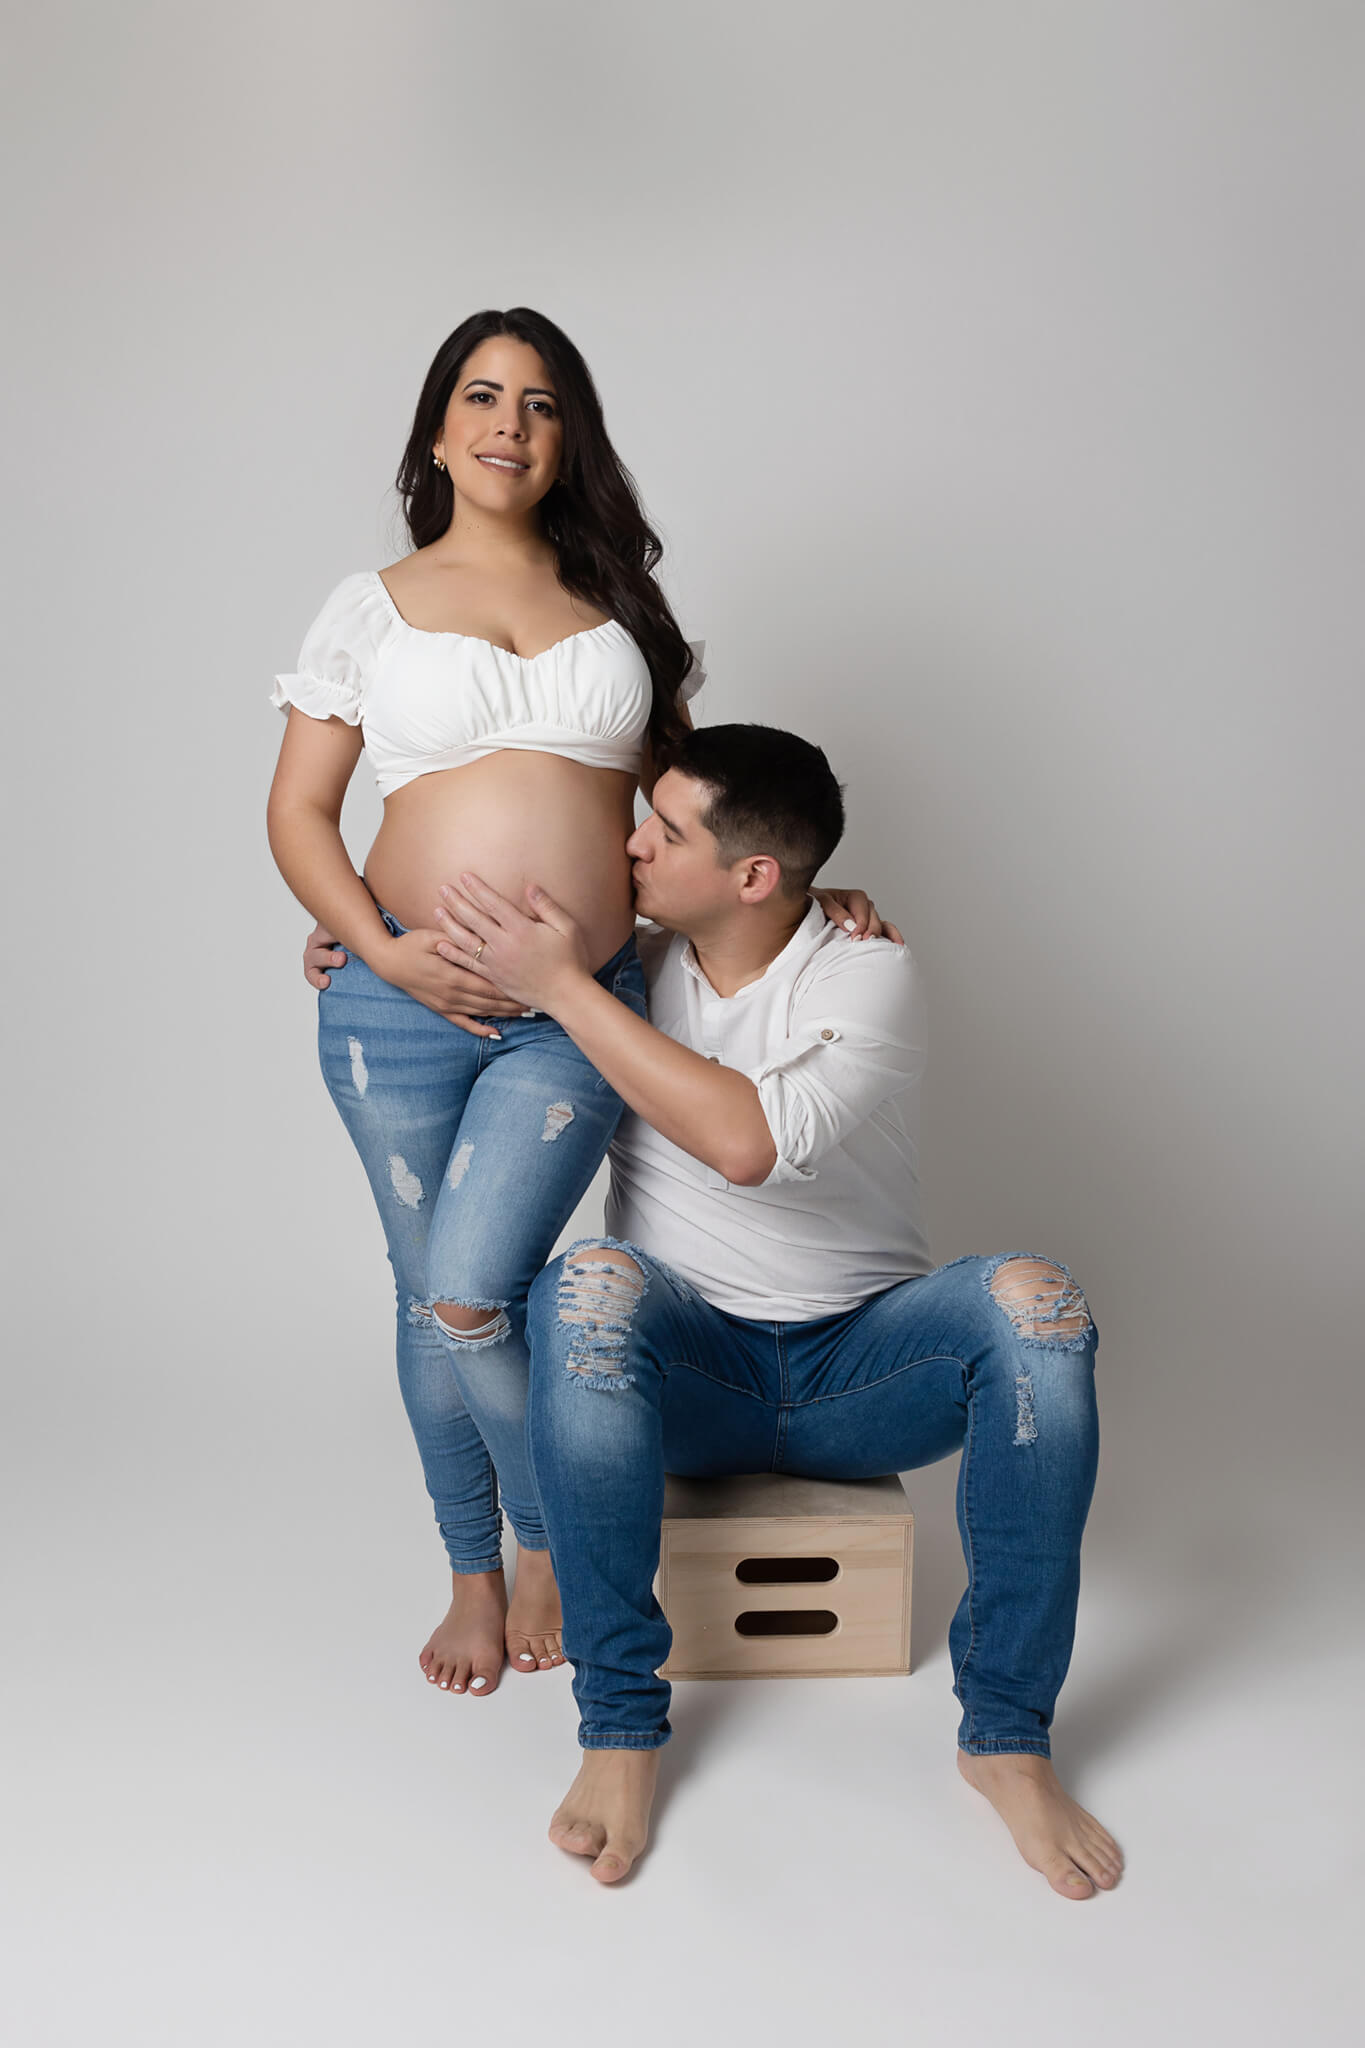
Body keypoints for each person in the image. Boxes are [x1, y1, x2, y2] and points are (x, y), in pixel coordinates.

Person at [270, 308, 880, 1698]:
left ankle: (544, 1541)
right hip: (392, 1004)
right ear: (437, 429)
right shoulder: (367, 605)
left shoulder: (618, 613)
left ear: (570, 438)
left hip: (576, 1006)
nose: (508, 424)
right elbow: (300, 810)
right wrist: (371, 939)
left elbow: (689, 819)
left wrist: (813, 894)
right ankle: (472, 1575)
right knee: (426, 1293)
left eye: (541, 404)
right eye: (480, 397)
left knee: (475, 1287)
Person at [428, 723, 1124, 1899]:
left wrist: (564, 989)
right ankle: (620, 1729)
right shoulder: (619, 959)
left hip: (866, 1374)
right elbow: (443, 961)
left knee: (1039, 1305)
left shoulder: (868, 968)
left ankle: (1005, 1736)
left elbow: (751, 1142)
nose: (631, 841)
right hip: (686, 1369)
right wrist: (358, 944)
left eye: (667, 830)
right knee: (586, 1283)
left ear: (755, 875)